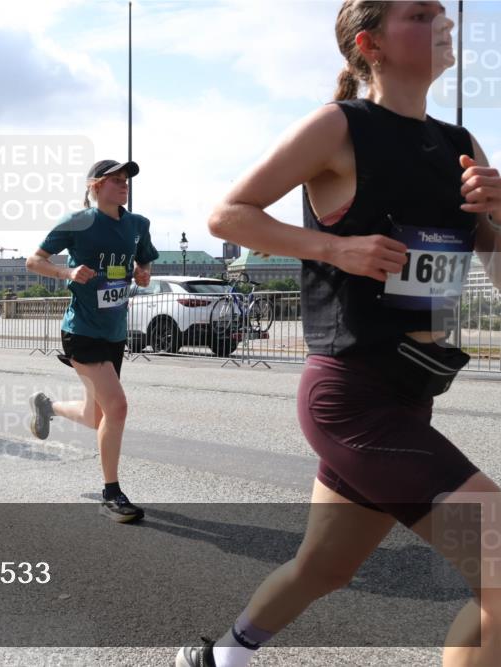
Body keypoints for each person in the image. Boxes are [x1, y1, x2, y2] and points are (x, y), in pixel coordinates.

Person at [175, 3, 501, 666]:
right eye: (421, 13)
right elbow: (227, 215)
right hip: (351, 397)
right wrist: (336, 249)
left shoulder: (461, 143)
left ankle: (218, 658)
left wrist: (499, 214)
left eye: (444, 12)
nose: (444, 22)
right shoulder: (338, 127)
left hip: (414, 391)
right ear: (371, 43)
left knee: (322, 567)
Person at [25, 159, 158, 522]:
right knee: (117, 408)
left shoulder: (137, 225)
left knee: (95, 414)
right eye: (116, 179)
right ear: (95, 186)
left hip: (114, 331)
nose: (124, 184)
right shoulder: (78, 221)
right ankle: (111, 493)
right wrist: (67, 271)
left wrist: (143, 273)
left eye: (126, 179)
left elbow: (144, 263)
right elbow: (33, 261)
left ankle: (48, 407)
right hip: (82, 330)